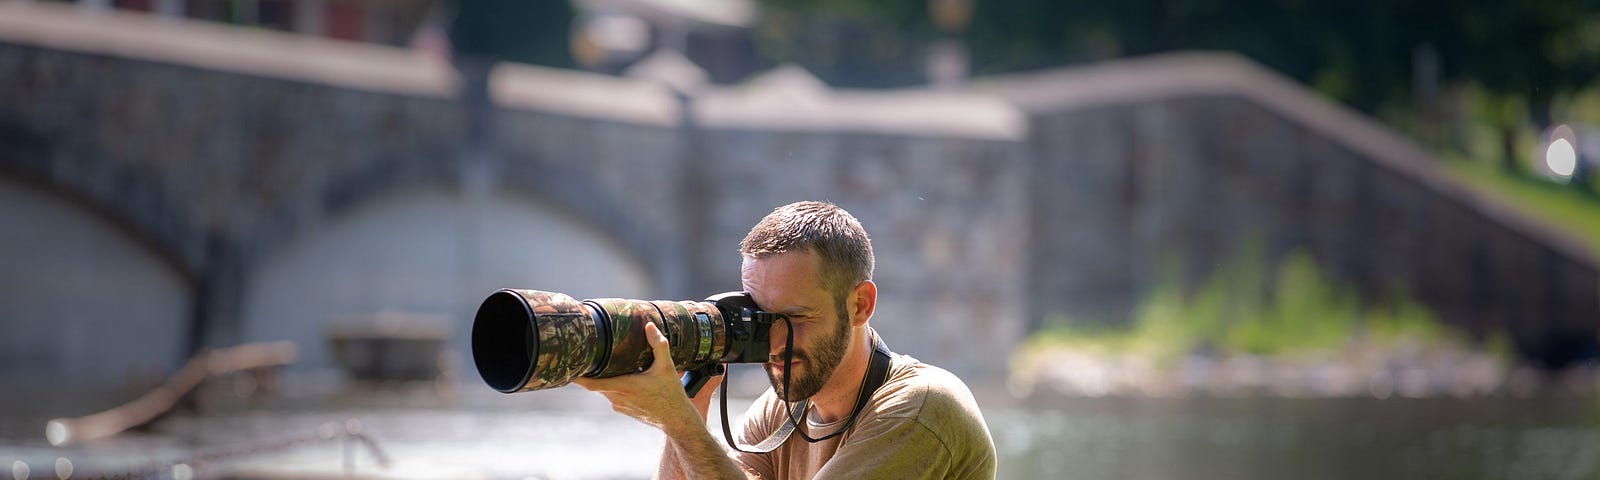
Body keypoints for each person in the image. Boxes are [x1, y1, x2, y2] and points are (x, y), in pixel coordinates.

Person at [575, 201, 997, 479]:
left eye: (795, 317)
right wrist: (687, 407)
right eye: (761, 317)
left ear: (860, 305)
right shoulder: (783, 408)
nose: (775, 341)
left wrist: (679, 424)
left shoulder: (922, 407)